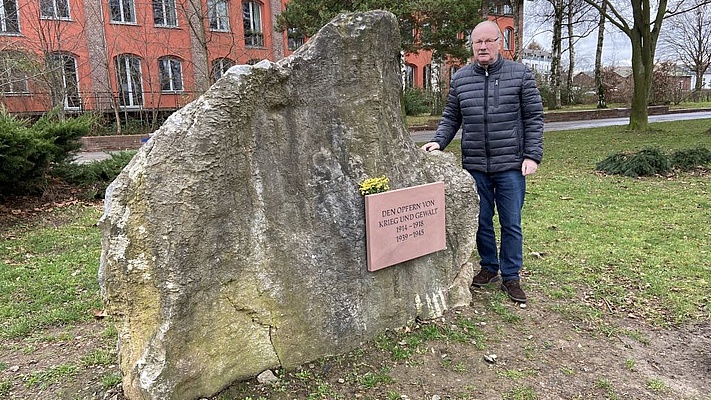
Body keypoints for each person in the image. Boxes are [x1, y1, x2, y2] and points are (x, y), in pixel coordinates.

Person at [421, 20, 543, 303]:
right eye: (478, 42)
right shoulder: (461, 78)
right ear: (472, 45)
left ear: (500, 43)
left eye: (489, 41)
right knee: (481, 221)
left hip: (511, 164)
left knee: (511, 222)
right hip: (475, 164)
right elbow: (452, 116)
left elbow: (534, 119)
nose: (483, 46)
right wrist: (439, 140)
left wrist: (532, 156)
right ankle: (489, 267)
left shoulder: (521, 75)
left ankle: (511, 276)